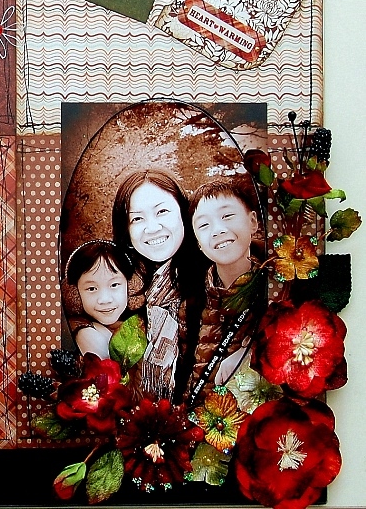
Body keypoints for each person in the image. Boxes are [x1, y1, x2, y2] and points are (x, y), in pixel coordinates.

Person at [111, 169, 208, 403]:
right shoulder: (120, 289)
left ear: (183, 213)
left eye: (162, 211)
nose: (152, 227)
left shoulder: (213, 277)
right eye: (137, 218)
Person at [184, 179, 265, 404]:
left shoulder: (276, 289)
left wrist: (250, 355)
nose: (218, 230)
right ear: (198, 243)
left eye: (227, 216)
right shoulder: (191, 305)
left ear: (253, 222)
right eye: (204, 225)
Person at [61, 239, 144, 360]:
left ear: (131, 286)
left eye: (114, 285)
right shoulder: (84, 334)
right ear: (74, 294)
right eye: (92, 288)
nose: (105, 299)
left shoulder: (144, 325)